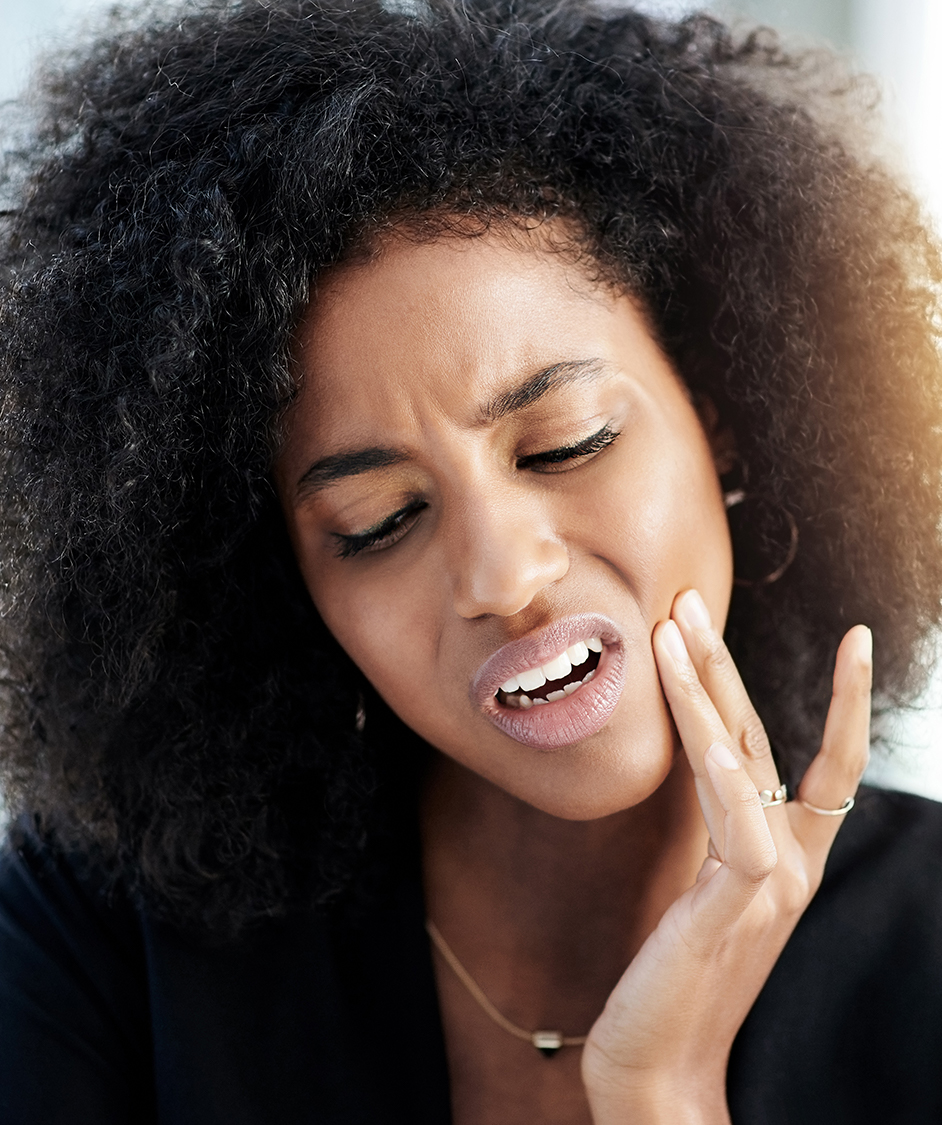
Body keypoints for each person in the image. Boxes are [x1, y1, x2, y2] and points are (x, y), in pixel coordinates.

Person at [1, 0, 941, 1121]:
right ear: (286, 588)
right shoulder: (96, 936)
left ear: (724, 411)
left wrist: (658, 1091)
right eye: (380, 521)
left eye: (566, 443)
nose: (500, 575)